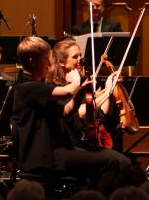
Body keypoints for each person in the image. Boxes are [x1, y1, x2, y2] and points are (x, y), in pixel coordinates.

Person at [11, 35, 130, 187]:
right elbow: (68, 91)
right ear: (32, 61)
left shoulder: (37, 87)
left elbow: (65, 111)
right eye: (46, 59)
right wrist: (76, 80)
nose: (49, 63)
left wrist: (81, 92)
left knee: (119, 160)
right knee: (113, 162)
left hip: (57, 151)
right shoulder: (26, 87)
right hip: (45, 157)